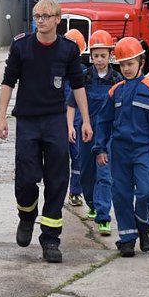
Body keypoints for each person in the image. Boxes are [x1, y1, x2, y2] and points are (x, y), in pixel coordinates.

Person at [0, 0, 92, 264]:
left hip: (55, 121)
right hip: (27, 121)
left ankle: (50, 239)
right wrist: (1, 117)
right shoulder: (21, 46)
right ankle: (26, 216)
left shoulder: (68, 50)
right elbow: (7, 81)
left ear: (58, 20)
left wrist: (85, 120)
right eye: (37, 15)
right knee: (26, 178)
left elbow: (79, 85)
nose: (40, 20)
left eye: (46, 16)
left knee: (57, 179)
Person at [94, 37, 149, 258]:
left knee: (146, 191)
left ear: (141, 62)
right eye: (122, 65)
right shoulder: (115, 91)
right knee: (120, 194)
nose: (126, 69)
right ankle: (128, 238)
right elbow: (103, 121)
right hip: (118, 152)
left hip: (142, 151)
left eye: (130, 63)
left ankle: (142, 223)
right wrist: (100, 148)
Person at [67, 30, 124, 236]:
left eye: (103, 55)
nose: (100, 60)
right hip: (86, 131)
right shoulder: (84, 77)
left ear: (110, 55)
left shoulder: (117, 79)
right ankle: (91, 203)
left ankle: (103, 216)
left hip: (106, 135)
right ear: (91, 56)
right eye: (96, 56)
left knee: (104, 174)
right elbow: (72, 103)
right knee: (87, 173)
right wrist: (70, 126)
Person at [63, 29, 86, 208]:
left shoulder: (84, 74)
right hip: (57, 121)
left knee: (77, 158)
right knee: (59, 160)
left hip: (77, 122)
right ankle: (59, 191)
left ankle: (75, 192)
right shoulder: (55, 70)